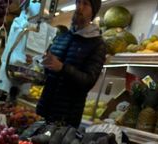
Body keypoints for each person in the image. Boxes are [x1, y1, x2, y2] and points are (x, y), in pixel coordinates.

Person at [37, 0, 106, 128]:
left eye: (85, 4)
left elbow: (89, 81)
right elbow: (48, 73)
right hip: (43, 110)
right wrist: (40, 64)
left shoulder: (97, 44)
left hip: (66, 120)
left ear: (93, 11)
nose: (79, 7)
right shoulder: (62, 36)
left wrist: (62, 68)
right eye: (78, 2)